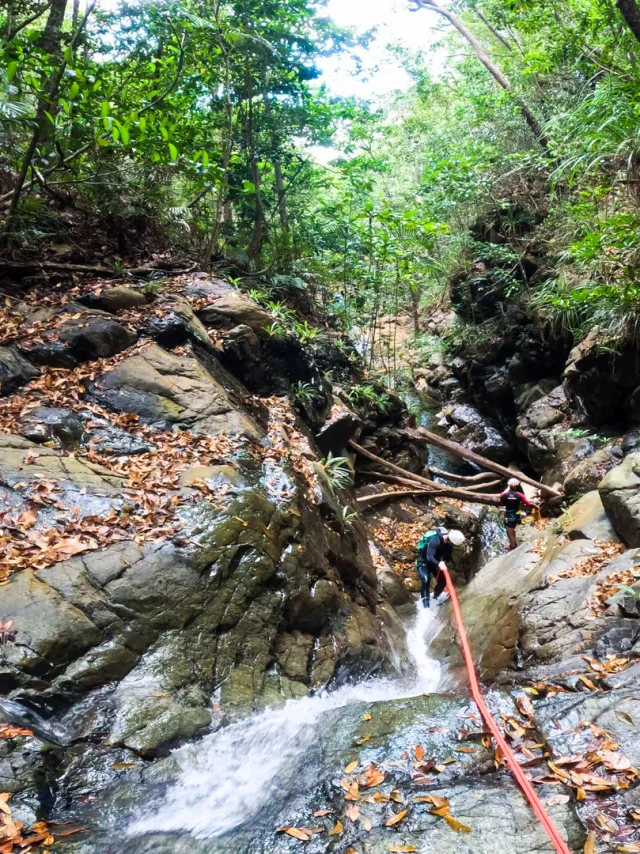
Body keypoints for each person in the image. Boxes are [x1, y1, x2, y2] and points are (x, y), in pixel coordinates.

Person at [416, 527, 466, 608]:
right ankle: (425, 605)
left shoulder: (449, 545)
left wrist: (444, 561)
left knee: (443, 581)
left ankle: (435, 597)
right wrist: (439, 563)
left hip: (435, 563)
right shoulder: (435, 541)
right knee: (426, 579)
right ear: (450, 539)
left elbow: (447, 556)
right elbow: (429, 556)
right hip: (423, 562)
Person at [500, 477, 536, 551]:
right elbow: (528, 504)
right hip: (517, 514)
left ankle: (513, 546)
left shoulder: (503, 495)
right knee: (512, 528)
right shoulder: (520, 495)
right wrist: (535, 506)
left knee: (509, 530)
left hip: (509, 514)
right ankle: (513, 543)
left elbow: (502, 502)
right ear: (517, 486)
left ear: (509, 485)